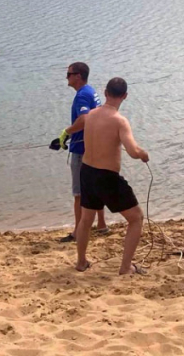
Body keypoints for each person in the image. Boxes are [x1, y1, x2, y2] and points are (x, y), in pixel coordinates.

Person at [72, 77, 149, 275]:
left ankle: (81, 262)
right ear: (125, 96)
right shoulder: (119, 120)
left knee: (86, 219)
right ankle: (125, 267)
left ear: (105, 93)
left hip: (87, 171)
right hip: (106, 177)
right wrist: (143, 154)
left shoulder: (90, 115)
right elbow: (132, 151)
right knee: (136, 218)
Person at [52, 62, 107, 243]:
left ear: (78, 76)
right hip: (93, 145)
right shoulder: (91, 91)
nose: (66, 77)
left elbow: (84, 119)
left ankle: (78, 232)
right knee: (95, 187)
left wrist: (66, 132)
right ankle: (101, 224)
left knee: (79, 194)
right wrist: (68, 136)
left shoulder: (83, 95)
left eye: (69, 74)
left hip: (82, 150)